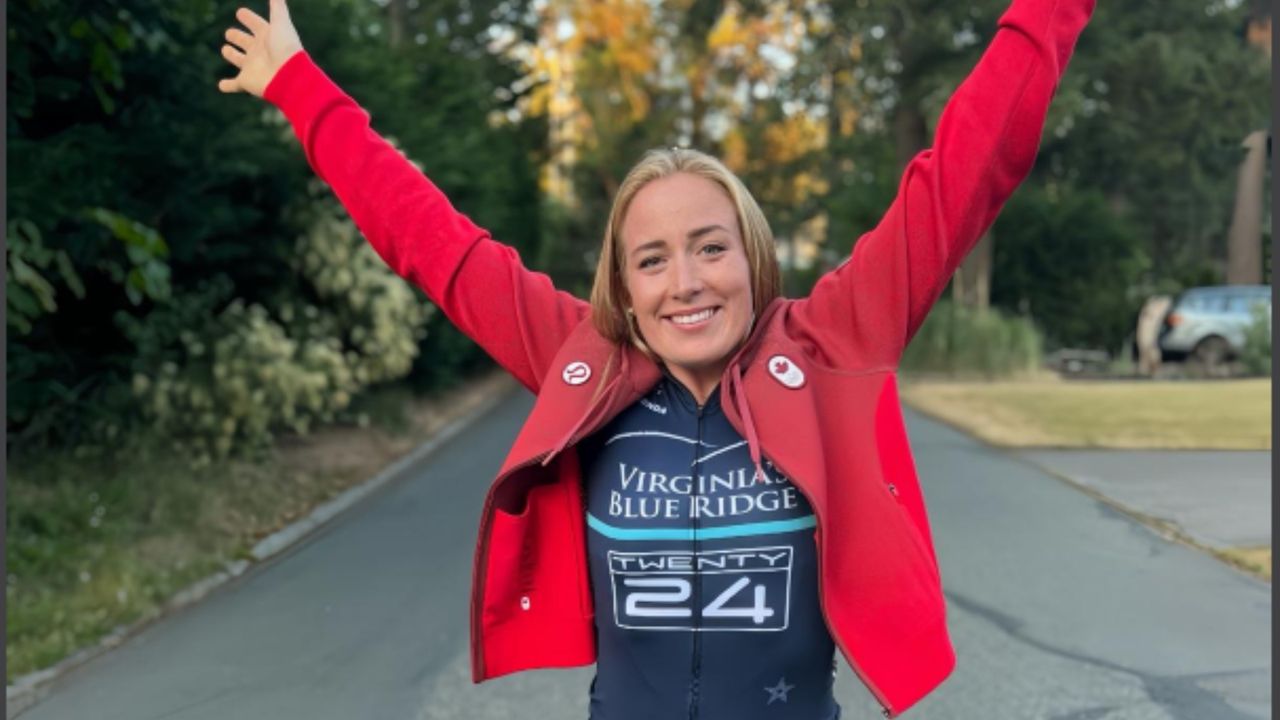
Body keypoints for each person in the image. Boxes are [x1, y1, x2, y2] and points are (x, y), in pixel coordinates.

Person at [218, 0, 1094, 716]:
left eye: (711, 247)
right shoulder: (585, 364)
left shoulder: (835, 343)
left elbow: (968, 168)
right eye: (652, 259)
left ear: (752, 255)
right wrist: (302, 89)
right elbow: (433, 244)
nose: (686, 283)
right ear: (624, 288)